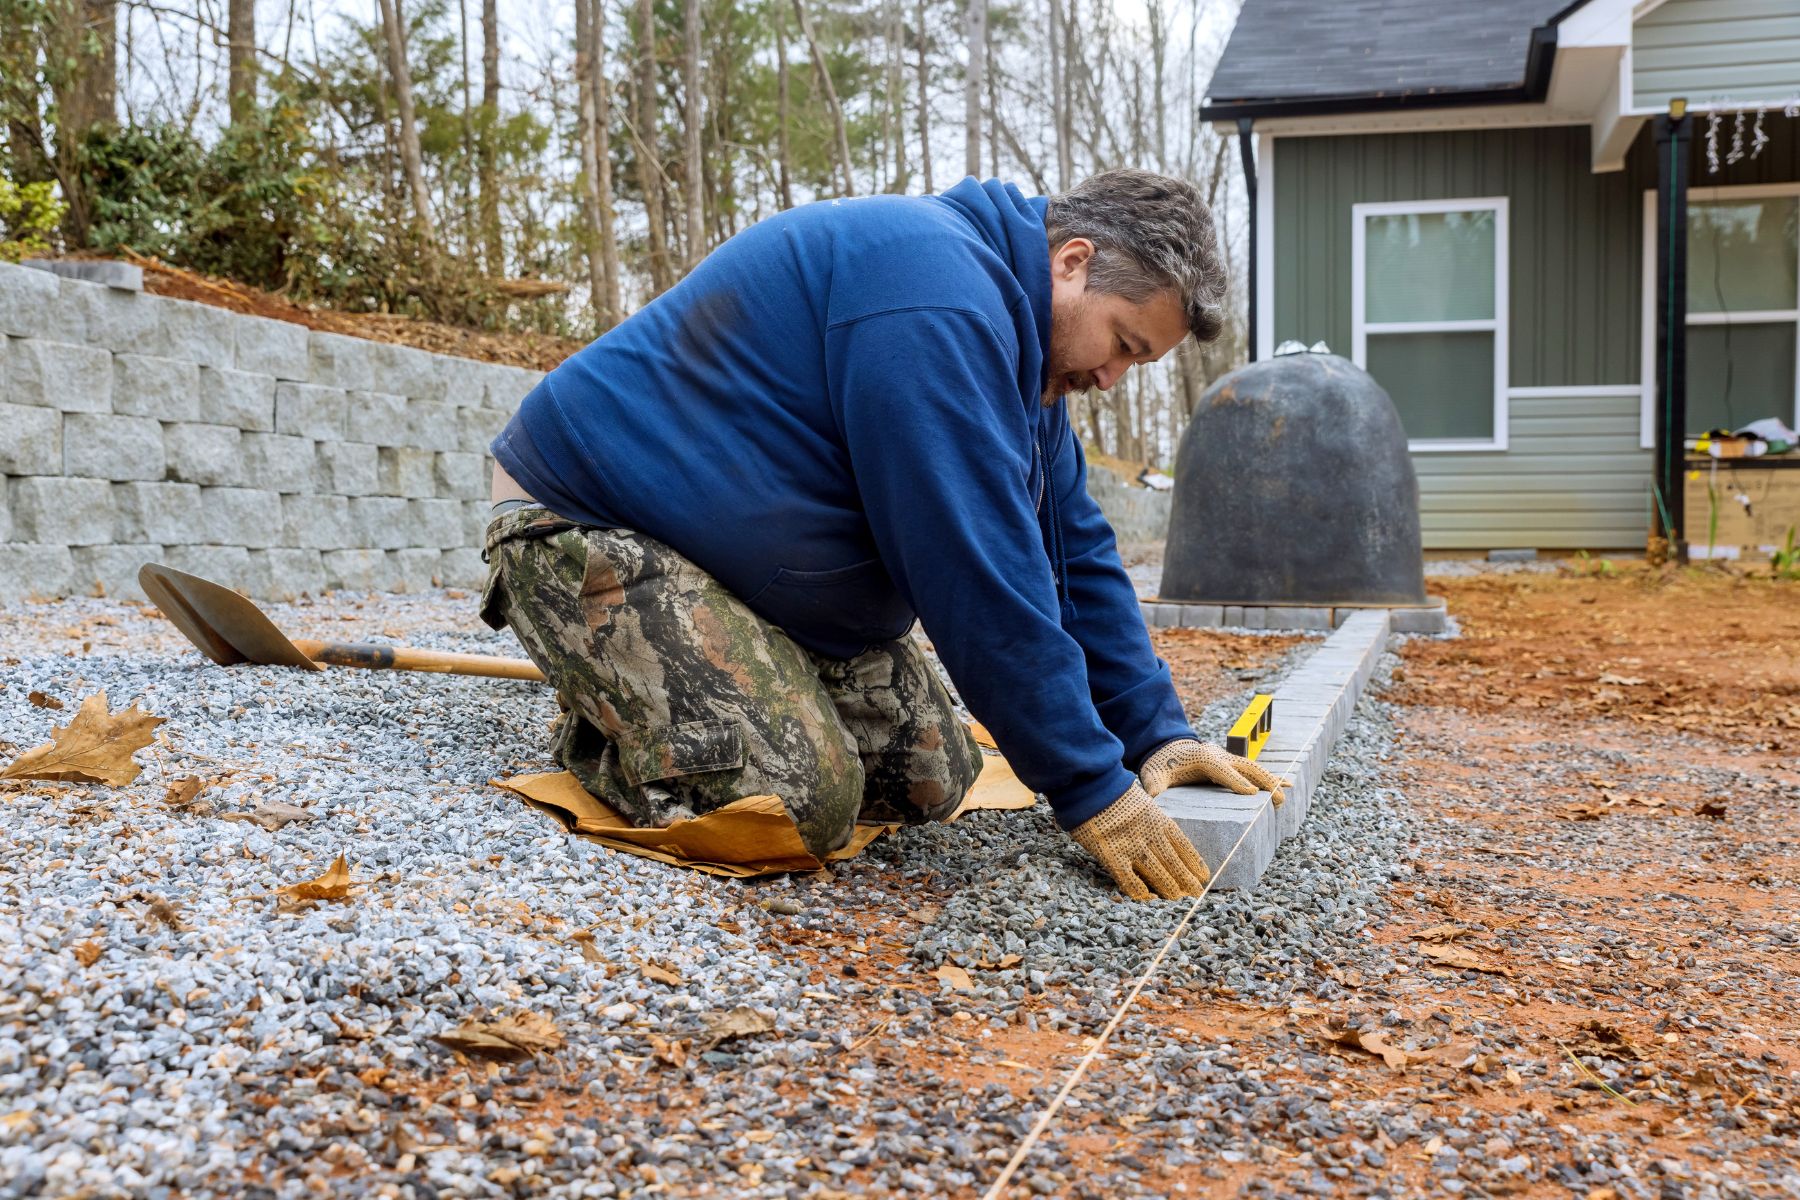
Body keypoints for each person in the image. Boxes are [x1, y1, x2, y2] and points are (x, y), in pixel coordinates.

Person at [479, 169, 1283, 901]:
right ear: (1073, 261)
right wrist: (1094, 793)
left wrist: (1155, 737)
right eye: (1124, 344)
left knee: (934, 775)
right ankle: (618, 718)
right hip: (586, 526)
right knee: (796, 805)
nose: (1112, 378)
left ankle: (696, 695)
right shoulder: (934, 299)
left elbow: (1073, 549)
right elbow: (976, 573)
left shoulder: (1022, 363)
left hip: (720, 570)